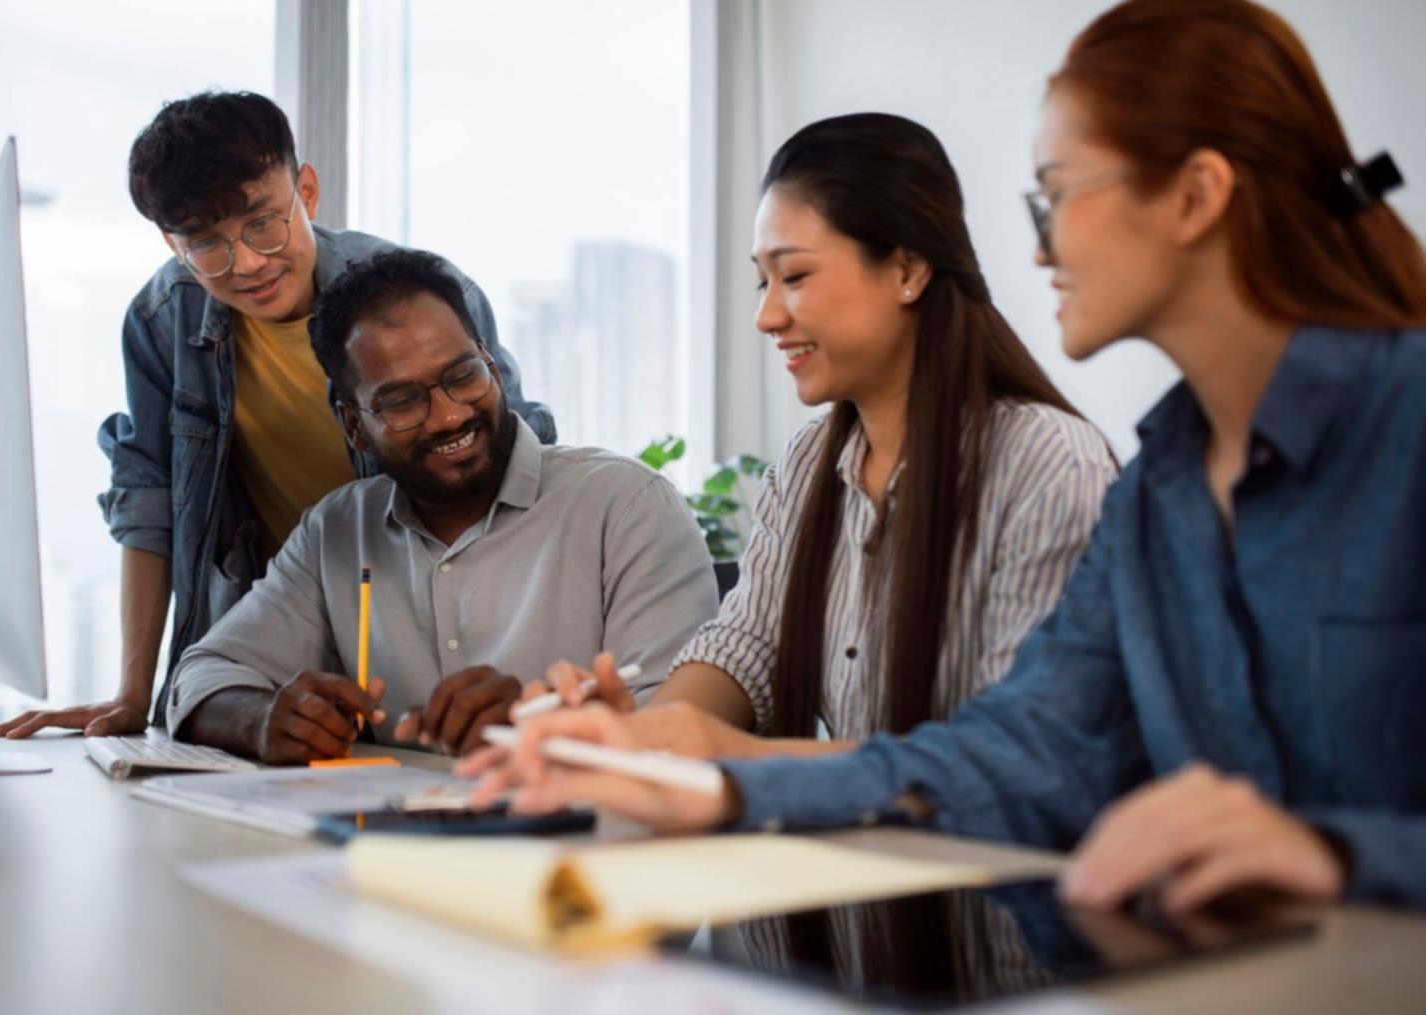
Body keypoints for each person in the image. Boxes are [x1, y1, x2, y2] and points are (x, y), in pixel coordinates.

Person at [471, 0, 1426, 912]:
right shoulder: (1160, 494)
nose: (1038, 244)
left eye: (1055, 196)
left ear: (1194, 195)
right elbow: (1017, 753)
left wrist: (1335, 851)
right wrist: (698, 765)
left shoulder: (1392, 428)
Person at [524, 114, 1115, 761]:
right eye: (762, 280)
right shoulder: (811, 460)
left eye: (795, 276)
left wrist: (735, 756)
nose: (766, 315)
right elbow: (745, 644)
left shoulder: (1048, 464)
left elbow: (1009, 756)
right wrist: (638, 735)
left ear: (907, 269)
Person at [0, 92, 553, 740]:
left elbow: (503, 458)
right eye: (207, 243)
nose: (248, 262)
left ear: (305, 190)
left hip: (424, 618)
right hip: (279, 634)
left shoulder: (415, 299)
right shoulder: (161, 321)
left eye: (262, 221)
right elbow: (149, 497)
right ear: (173, 243)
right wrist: (133, 695)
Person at [167, 250, 717, 763]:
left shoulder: (627, 507)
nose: (450, 416)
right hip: (391, 851)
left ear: (493, 367)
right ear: (354, 426)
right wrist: (261, 719)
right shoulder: (336, 532)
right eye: (404, 400)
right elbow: (202, 674)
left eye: (462, 376)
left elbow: (687, 729)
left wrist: (542, 729)